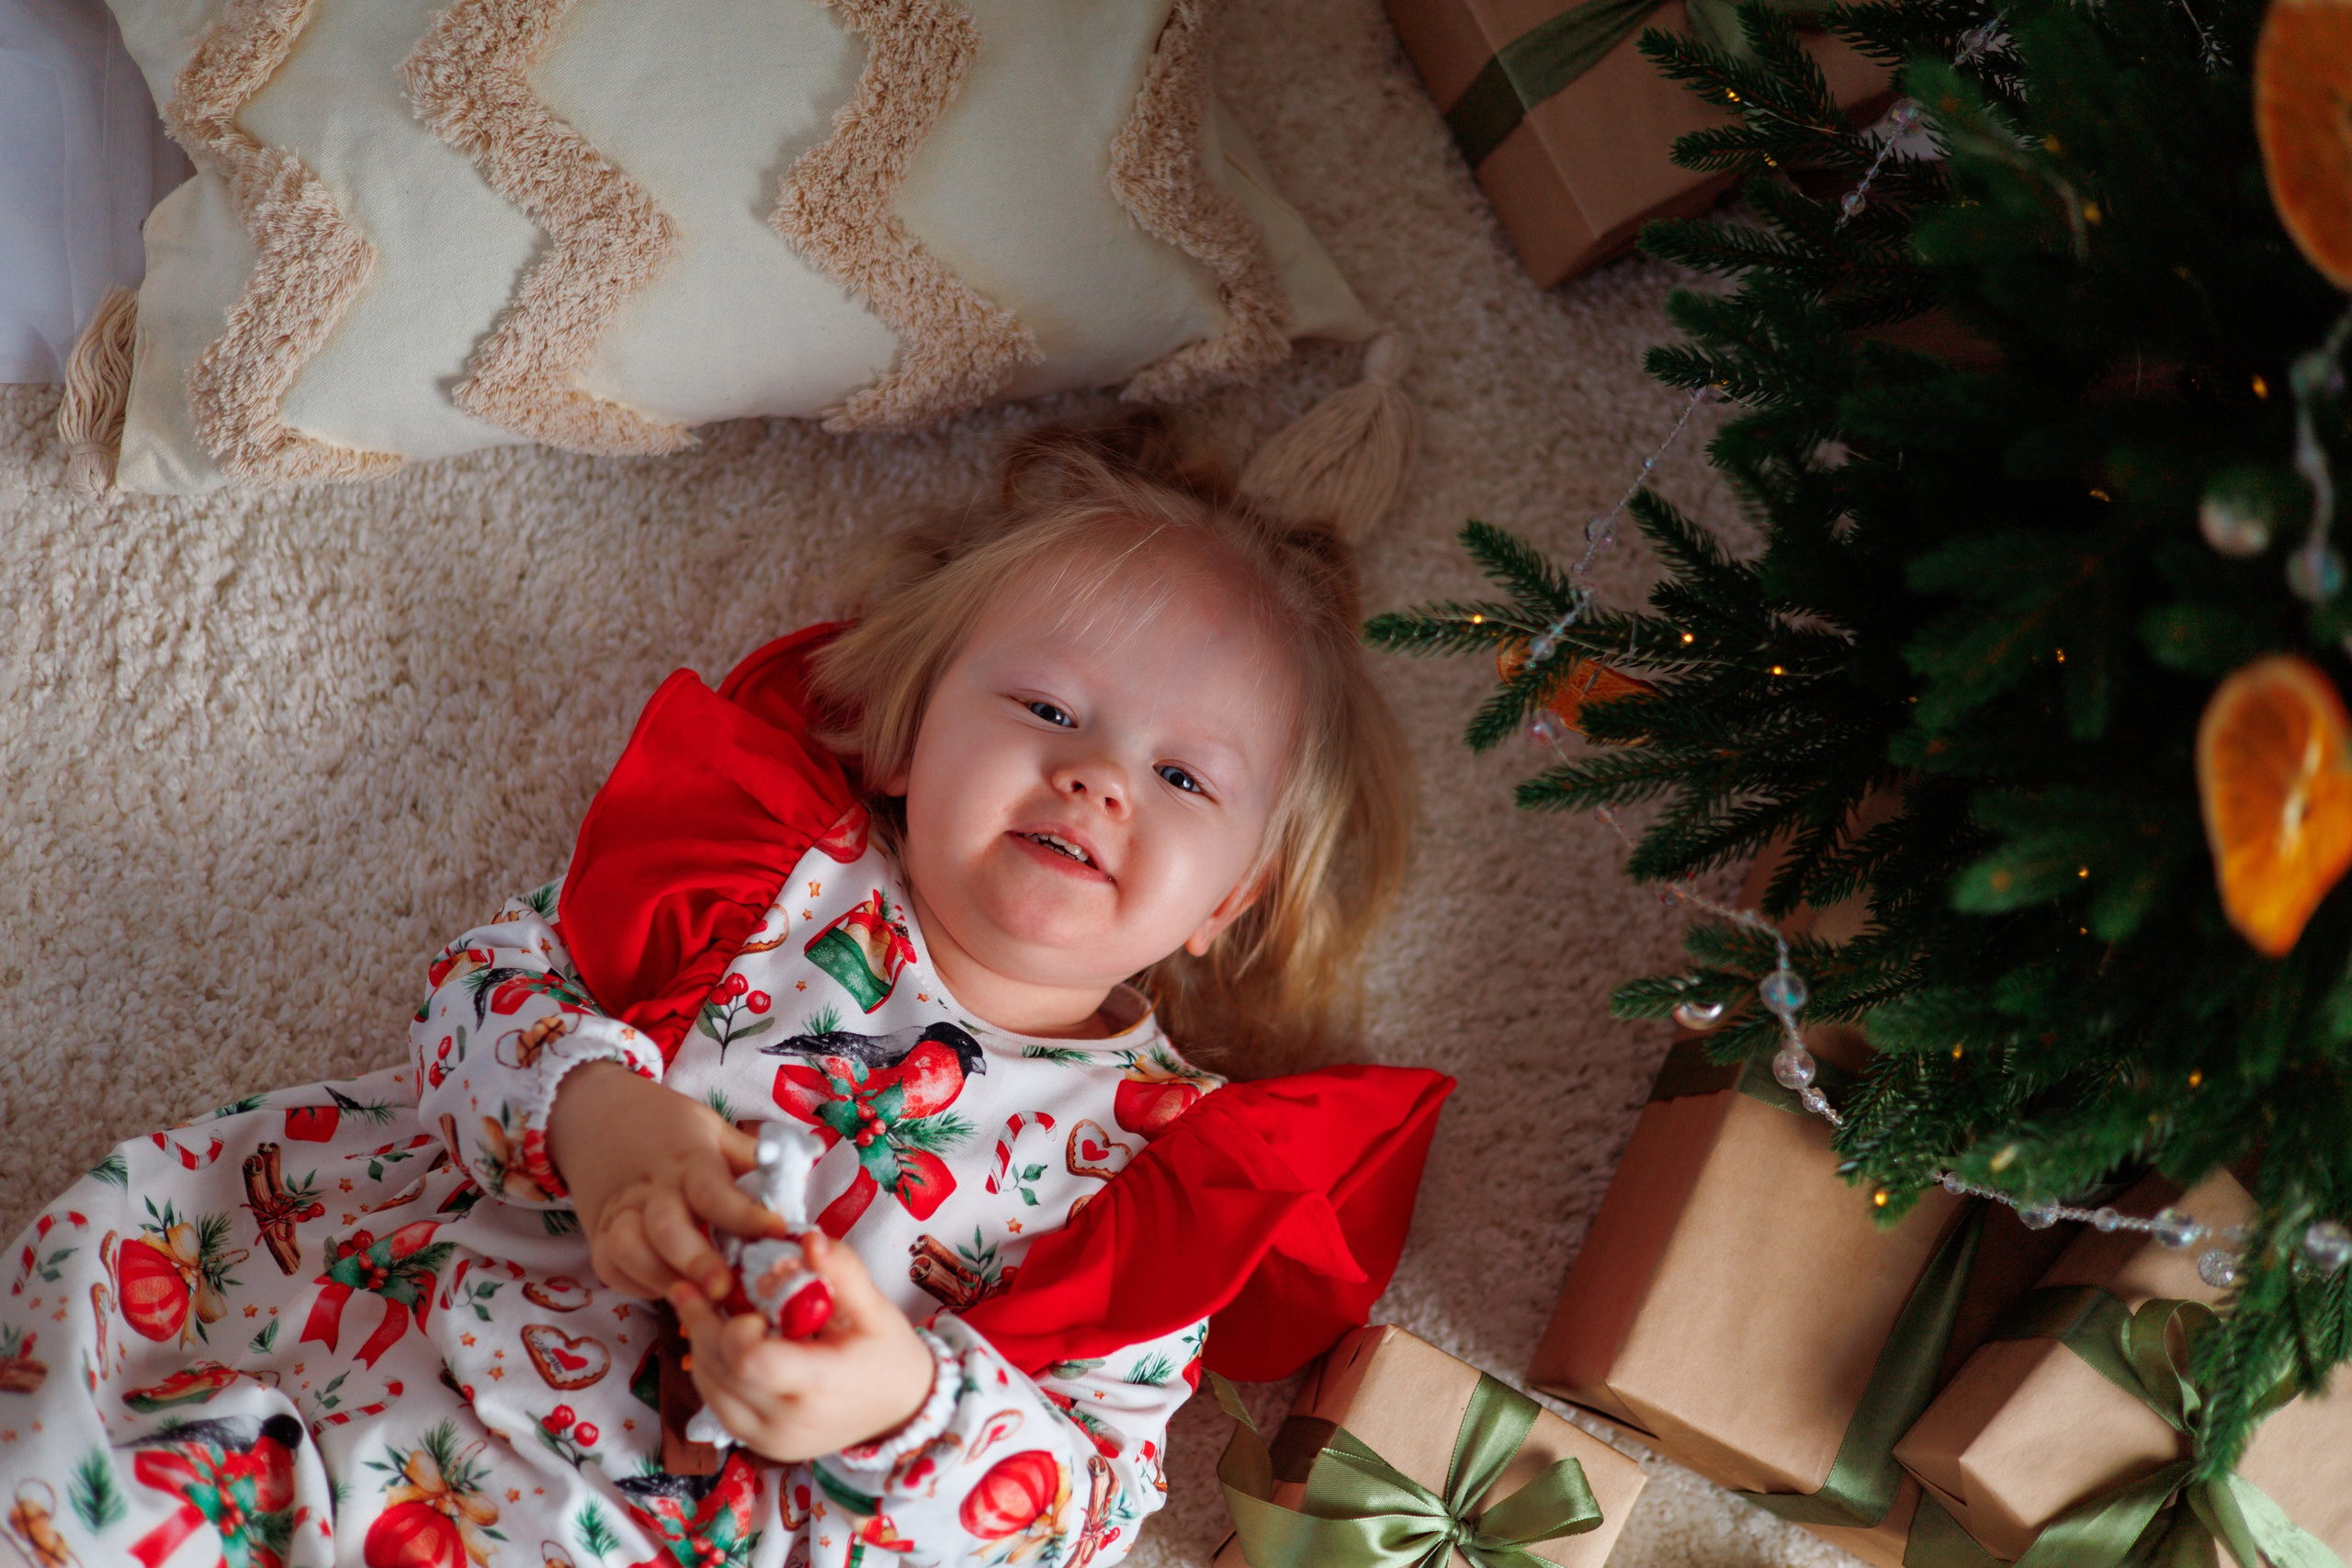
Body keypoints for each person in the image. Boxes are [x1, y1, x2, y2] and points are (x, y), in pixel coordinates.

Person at [0, 418, 1440, 1568]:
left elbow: (1089, 1499)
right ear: (896, 734)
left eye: (1184, 778)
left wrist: (900, 1407)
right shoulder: (764, 886)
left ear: (1230, 903)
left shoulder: (1169, 1174)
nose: (1098, 776)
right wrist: (605, 1118)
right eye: (1047, 708)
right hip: (370, 1373)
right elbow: (481, 998)